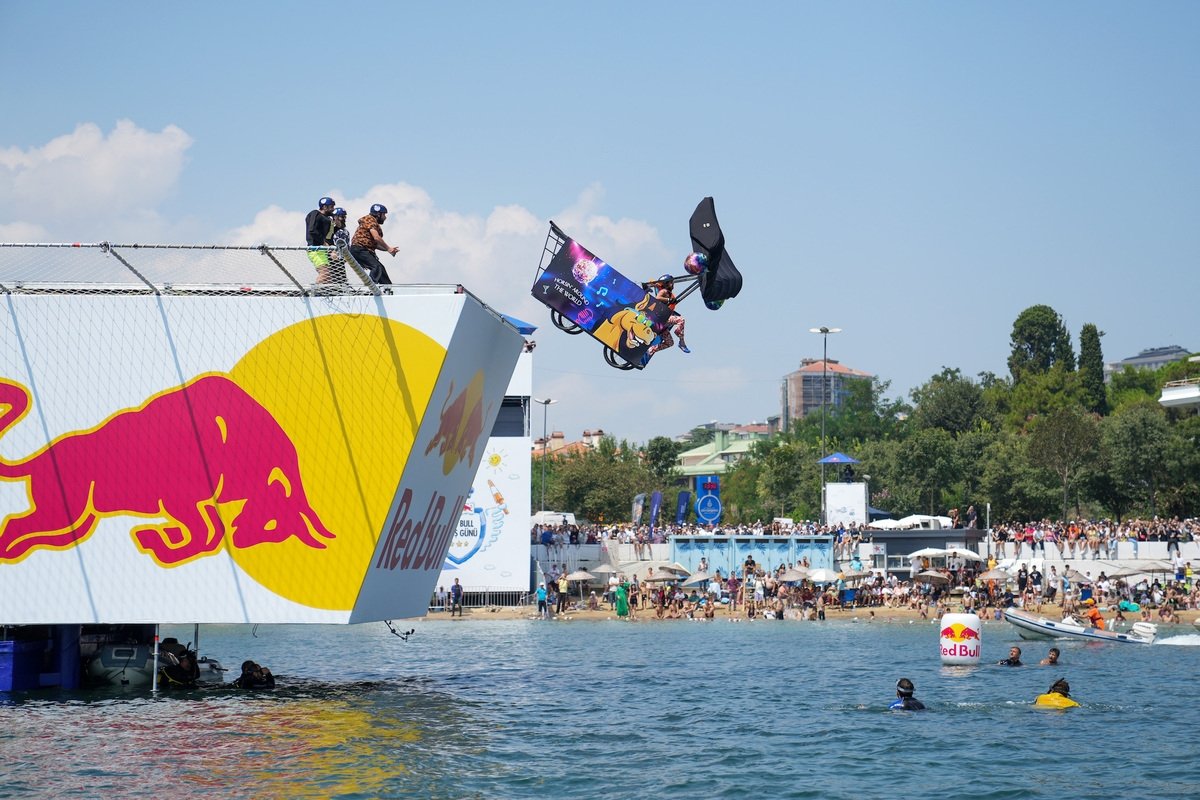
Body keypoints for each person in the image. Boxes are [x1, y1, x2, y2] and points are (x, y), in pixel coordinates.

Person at [350, 203, 399, 284]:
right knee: (376, 267)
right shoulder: (370, 220)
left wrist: (388, 249)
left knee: (381, 269)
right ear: (378, 214)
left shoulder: (370, 223)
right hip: (359, 249)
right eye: (384, 215)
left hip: (362, 250)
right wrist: (388, 248)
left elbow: (375, 244)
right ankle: (371, 287)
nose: (385, 217)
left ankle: (388, 287)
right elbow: (376, 237)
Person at [643, 275, 688, 356]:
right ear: (666, 284)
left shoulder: (670, 294)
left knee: (669, 343)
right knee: (681, 320)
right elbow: (658, 298)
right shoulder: (663, 291)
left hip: (662, 324)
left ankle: (651, 350)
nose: (672, 284)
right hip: (661, 318)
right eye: (671, 283)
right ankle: (679, 335)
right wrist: (668, 300)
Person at [305, 196, 337, 279]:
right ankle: (312, 291)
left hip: (323, 250)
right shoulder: (315, 213)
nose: (333, 209)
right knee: (325, 273)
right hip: (315, 249)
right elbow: (312, 231)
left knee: (329, 277)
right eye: (331, 207)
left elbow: (329, 236)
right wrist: (325, 244)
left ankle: (320, 291)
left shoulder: (328, 219)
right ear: (324, 207)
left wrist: (331, 250)